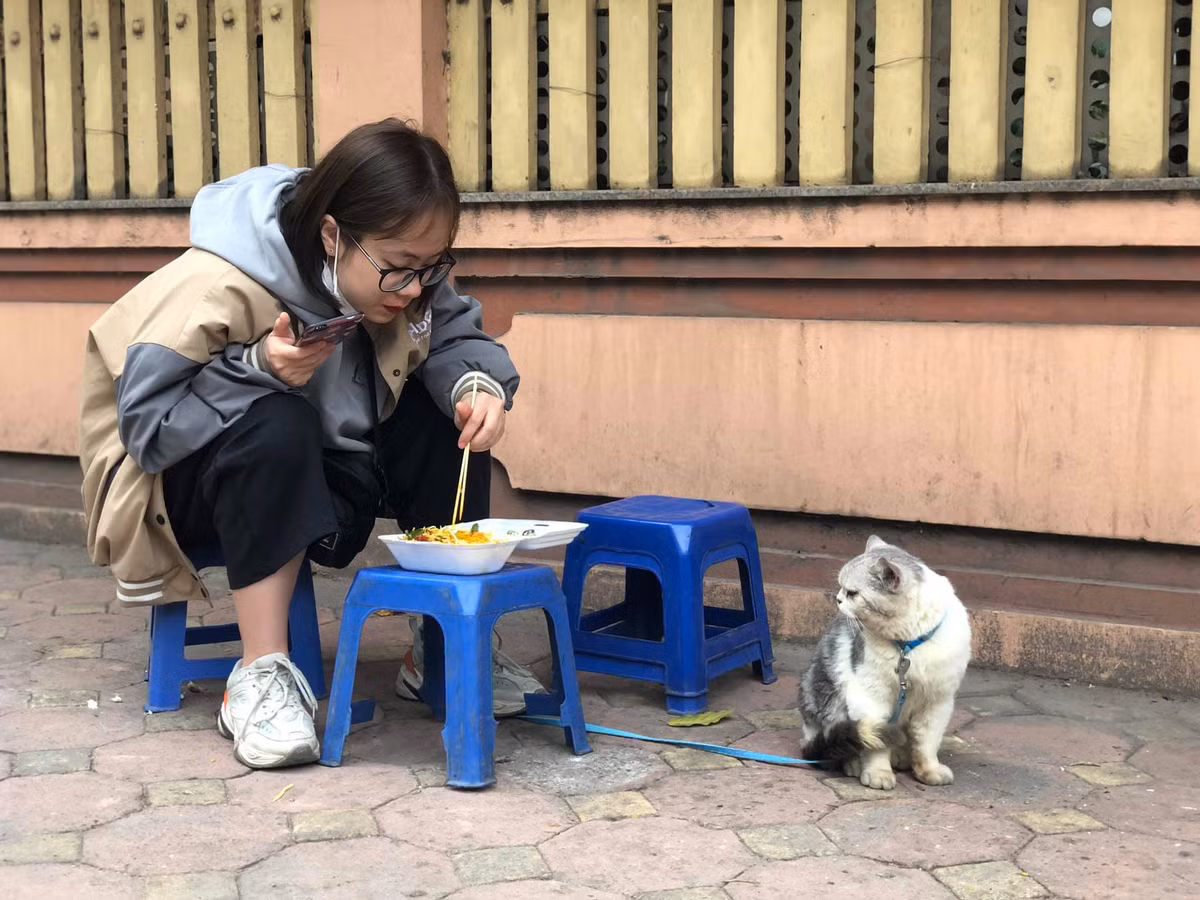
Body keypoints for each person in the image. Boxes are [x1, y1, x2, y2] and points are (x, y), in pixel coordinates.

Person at [79, 119, 545, 769]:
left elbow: (454, 333)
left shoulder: (401, 268)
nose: (415, 289)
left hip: (331, 472)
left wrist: (476, 385)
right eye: (399, 271)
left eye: (431, 267)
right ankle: (260, 676)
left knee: (449, 416)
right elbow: (147, 431)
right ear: (332, 235)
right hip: (182, 487)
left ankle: (445, 649)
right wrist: (258, 371)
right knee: (278, 417)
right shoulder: (220, 281)